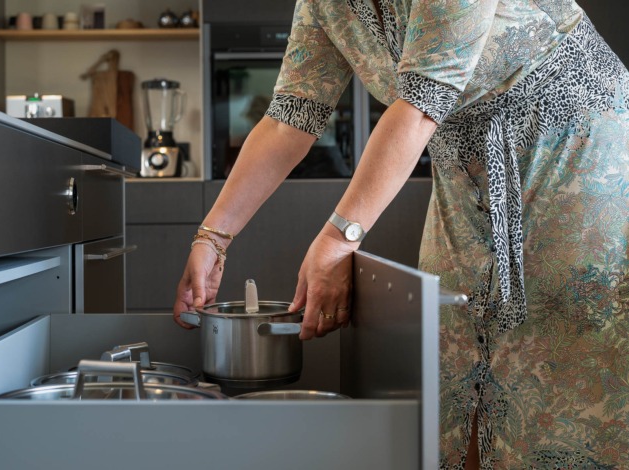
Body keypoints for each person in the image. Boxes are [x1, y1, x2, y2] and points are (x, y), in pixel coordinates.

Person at [174, 0, 629, 468]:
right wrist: (213, 237)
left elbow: (418, 107)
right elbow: (290, 116)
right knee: (452, 359)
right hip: (465, 175)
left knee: (564, 357)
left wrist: (337, 240)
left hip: (574, 150)